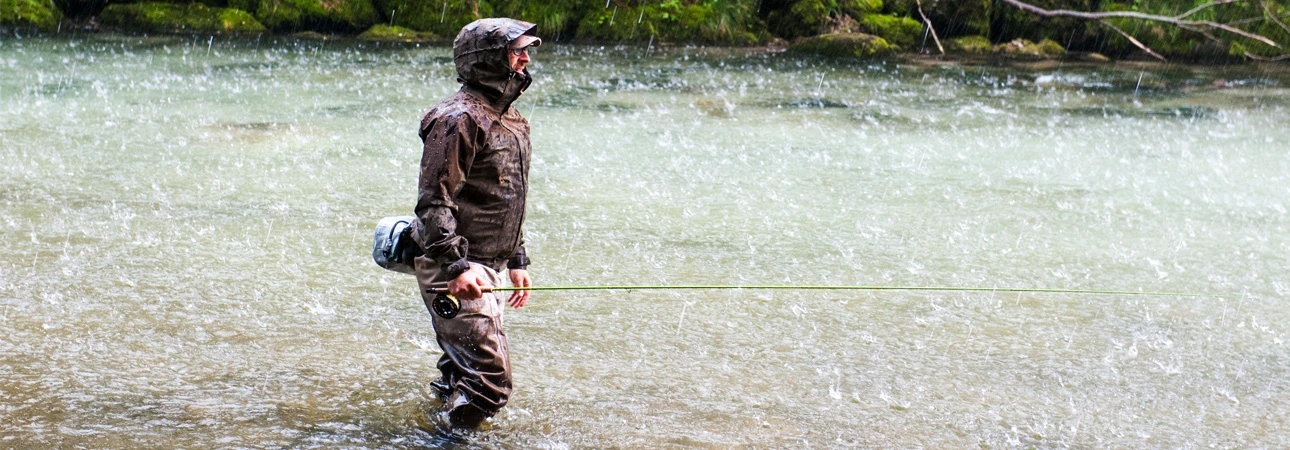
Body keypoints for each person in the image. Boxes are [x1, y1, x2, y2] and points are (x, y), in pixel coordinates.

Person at [411, 18, 540, 430]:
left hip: (491, 264)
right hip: (457, 265)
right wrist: (455, 267)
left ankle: (433, 428)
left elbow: (509, 195)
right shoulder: (457, 119)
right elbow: (434, 201)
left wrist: (517, 258)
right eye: (515, 50)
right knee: (490, 384)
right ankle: (444, 439)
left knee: (462, 373)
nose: (524, 58)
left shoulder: (513, 119)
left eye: (526, 50)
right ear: (485, 58)